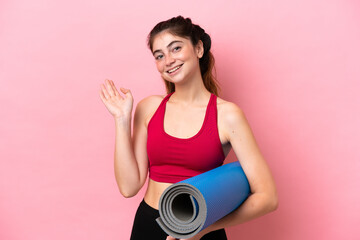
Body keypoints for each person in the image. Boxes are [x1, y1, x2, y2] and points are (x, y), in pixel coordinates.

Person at [99, 15, 278, 240]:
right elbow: (128, 187)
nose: (168, 60)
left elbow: (267, 197)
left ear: (199, 48)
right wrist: (121, 120)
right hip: (148, 225)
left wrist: (202, 230)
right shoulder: (149, 108)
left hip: (201, 231)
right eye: (159, 56)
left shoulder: (227, 115)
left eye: (176, 48)